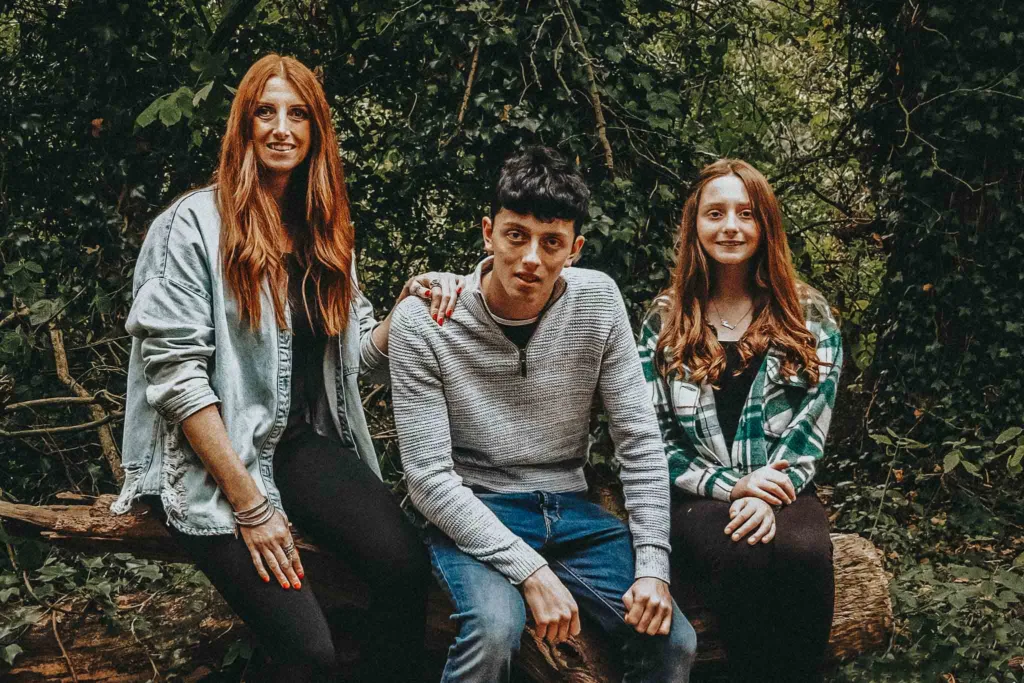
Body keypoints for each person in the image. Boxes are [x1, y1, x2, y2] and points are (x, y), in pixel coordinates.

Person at [110, 54, 462, 682]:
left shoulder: (324, 231)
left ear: (316, 130)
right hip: (207, 460)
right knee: (309, 653)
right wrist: (251, 506)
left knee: (404, 566)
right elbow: (176, 377)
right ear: (242, 128)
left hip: (297, 442)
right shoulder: (191, 226)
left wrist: (406, 309)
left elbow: (357, 357)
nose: (281, 128)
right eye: (264, 113)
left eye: (297, 114)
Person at [388, 146, 698, 683]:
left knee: (673, 641)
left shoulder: (598, 301)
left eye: (551, 242)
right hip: (476, 506)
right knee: (493, 629)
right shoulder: (426, 320)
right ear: (488, 233)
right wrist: (528, 569)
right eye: (516, 235)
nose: (531, 257)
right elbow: (429, 480)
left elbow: (640, 442)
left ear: (573, 249)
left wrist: (652, 567)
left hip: (571, 513)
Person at [638, 158, 842, 683]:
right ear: (694, 226)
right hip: (695, 494)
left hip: (783, 486)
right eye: (716, 213)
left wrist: (763, 489)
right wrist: (733, 487)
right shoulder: (663, 321)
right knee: (743, 552)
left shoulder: (809, 315)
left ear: (765, 225)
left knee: (803, 550)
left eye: (746, 213)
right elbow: (652, 436)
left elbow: (811, 427)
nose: (730, 225)